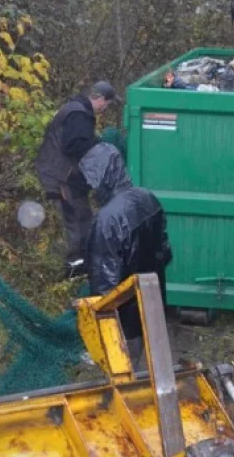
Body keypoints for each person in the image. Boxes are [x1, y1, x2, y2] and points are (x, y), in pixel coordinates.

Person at [80, 143, 172, 367]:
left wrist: (101, 320)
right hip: (151, 302)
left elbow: (104, 281)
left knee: (123, 371)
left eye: (92, 180)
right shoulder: (147, 197)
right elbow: (165, 251)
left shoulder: (107, 219)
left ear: (102, 177)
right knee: (149, 361)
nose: (91, 187)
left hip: (124, 318)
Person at [35, 81, 123, 272]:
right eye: (107, 104)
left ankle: (80, 264)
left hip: (62, 175)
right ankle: (74, 268)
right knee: (76, 219)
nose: (105, 109)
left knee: (82, 217)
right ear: (99, 99)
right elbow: (74, 145)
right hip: (62, 178)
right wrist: (98, 145)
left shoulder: (75, 109)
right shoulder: (79, 114)